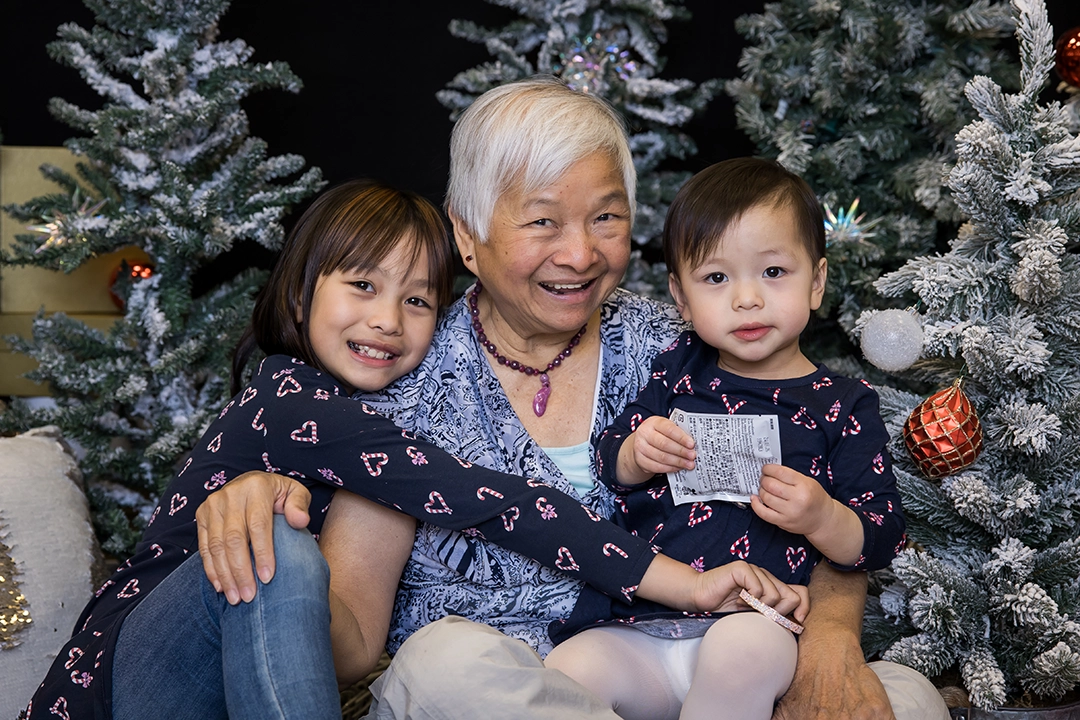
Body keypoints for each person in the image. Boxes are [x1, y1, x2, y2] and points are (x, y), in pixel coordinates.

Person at [198, 76, 950, 720]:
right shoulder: (402, 383)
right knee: (445, 668)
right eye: (543, 221)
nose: (582, 254)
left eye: (607, 219)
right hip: (511, 698)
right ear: (468, 237)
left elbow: (836, 488)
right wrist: (277, 530)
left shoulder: (684, 345)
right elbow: (353, 638)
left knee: (907, 700)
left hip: (712, 671)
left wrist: (829, 639)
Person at [23, 179, 801, 720]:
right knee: (278, 551)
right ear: (299, 293)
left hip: (229, 681)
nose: (388, 321)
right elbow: (497, 502)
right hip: (120, 690)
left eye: (418, 300)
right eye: (361, 286)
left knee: (285, 552)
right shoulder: (295, 400)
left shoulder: (380, 417)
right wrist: (688, 586)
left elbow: (353, 647)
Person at [542, 158, 907, 720]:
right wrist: (637, 453)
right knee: (569, 670)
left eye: (773, 273)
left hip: (757, 626)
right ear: (681, 300)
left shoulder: (842, 402)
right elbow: (608, 457)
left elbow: (878, 537)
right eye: (716, 278)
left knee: (743, 653)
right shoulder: (678, 370)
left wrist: (821, 517)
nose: (746, 299)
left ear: (816, 282)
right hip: (643, 623)